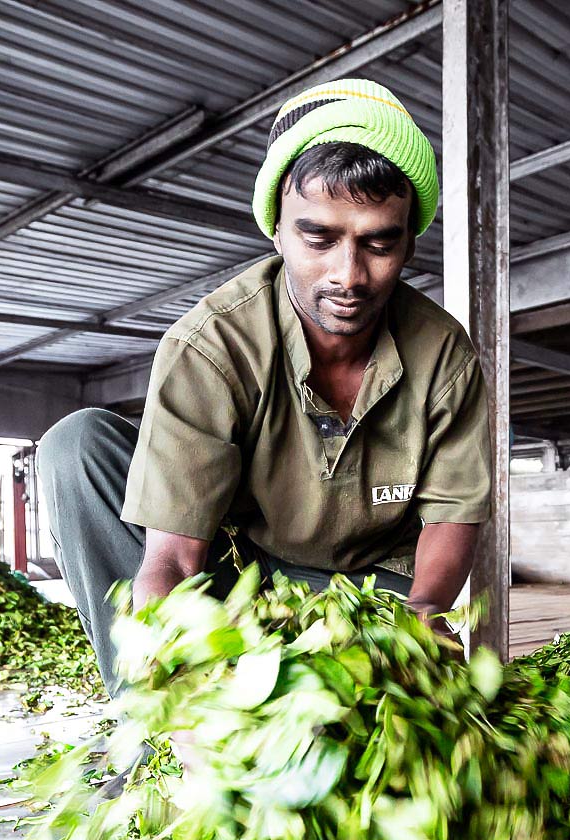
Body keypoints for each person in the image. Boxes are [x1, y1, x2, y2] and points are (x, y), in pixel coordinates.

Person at [37, 80, 490, 693]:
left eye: (379, 243)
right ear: (277, 228)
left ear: (409, 241)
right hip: (235, 573)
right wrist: (176, 685)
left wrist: (425, 614)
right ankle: (153, 734)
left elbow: (452, 518)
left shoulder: (443, 355)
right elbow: (173, 557)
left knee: (372, 729)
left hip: (367, 590)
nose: (348, 275)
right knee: (77, 444)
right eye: (319, 238)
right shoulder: (210, 344)